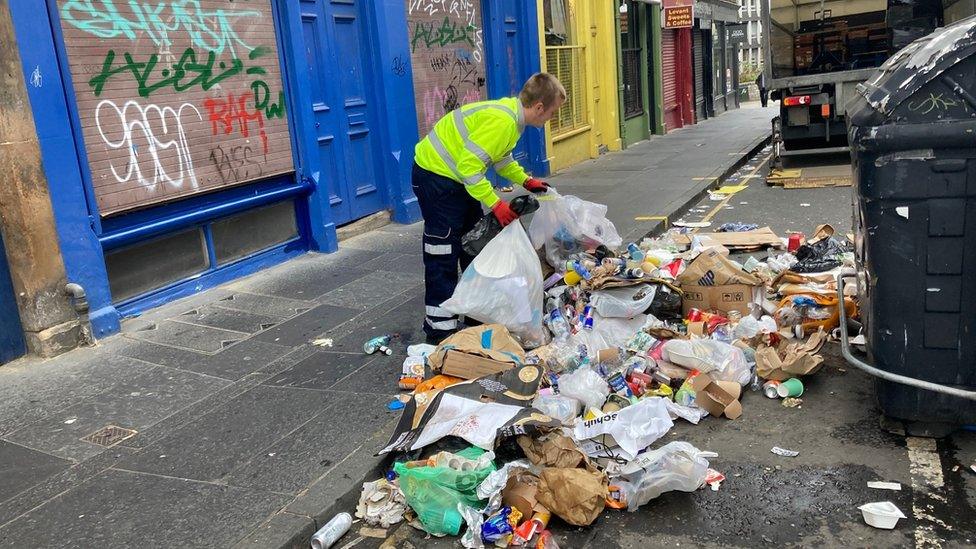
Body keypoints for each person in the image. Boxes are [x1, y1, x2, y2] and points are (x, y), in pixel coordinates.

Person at [412, 73, 567, 343]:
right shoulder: (503, 121)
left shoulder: (511, 119)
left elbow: (500, 158)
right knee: (443, 252)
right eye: (552, 113)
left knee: (472, 246)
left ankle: (473, 313)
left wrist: (525, 180)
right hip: (436, 179)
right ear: (539, 107)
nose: (550, 119)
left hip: (455, 181)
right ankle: (440, 332)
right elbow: (469, 168)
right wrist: (496, 204)